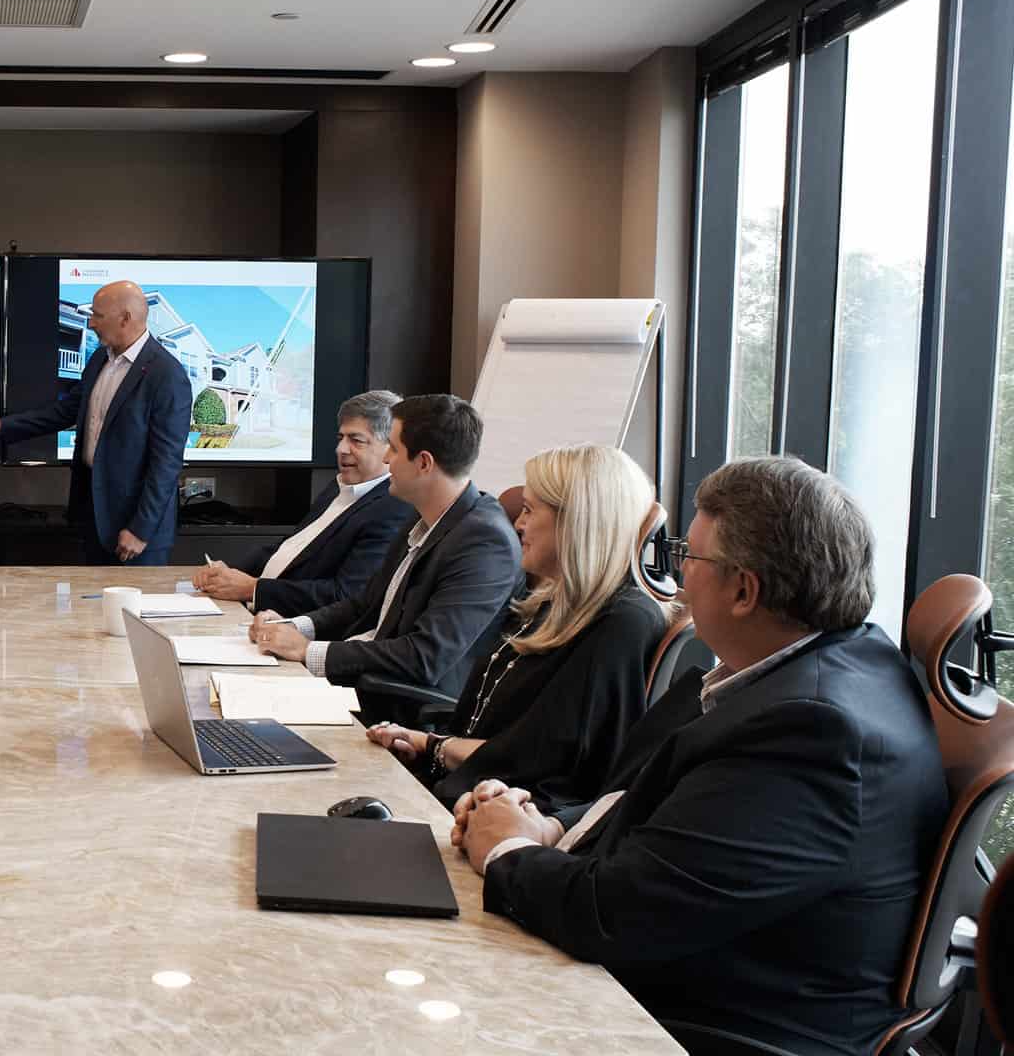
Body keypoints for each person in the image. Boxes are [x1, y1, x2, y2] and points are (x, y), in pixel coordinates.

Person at [455, 456, 946, 1055]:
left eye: (690, 556)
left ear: (744, 590)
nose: (680, 578)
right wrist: (550, 828)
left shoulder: (812, 734)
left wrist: (506, 851)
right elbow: (662, 814)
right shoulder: (827, 665)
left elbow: (615, 917)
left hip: (700, 1021)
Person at [365, 443, 666, 815]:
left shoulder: (622, 622)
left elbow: (543, 760)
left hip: (495, 814)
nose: (519, 524)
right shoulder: (552, 603)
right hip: (461, 787)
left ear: (576, 521)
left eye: (529, 510)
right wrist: (426, 745)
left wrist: (436, 747)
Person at [247, 393, 521, 722]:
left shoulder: (484, 543)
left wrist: (307, 651)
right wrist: (295, 627)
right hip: (361, 682)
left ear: (424, 463)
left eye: (393, 448)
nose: (387, 458)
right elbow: (365, 604)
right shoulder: (423, 515)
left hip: (398, 710)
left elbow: (425, 656)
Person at [0, 280, 192, 565]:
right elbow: (64, 412)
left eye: (97, 315)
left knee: (132, 598)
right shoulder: (100, 359)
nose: (91, 323)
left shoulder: (167, 375)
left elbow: (166, 463)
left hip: (137, 532)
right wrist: (2, 426)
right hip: (94, 517)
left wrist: (140, 529)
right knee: (92, 595)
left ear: (125, 318)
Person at [191, 390, 415, 615]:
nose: (340, 449)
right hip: (254, 608)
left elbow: (346, 595)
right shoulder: (338, 486)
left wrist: (252, 589)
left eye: (356, 440)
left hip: (287, 624)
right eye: (341, 438)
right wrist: (227, 573)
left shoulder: (394, 509)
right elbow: (291, 547)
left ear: (390, 448)